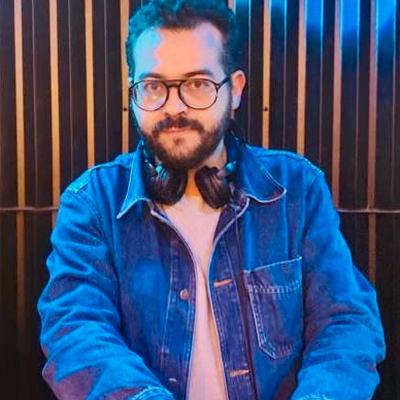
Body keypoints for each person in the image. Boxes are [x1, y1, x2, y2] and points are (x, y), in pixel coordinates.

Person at [38, 1, 385, 399]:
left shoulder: (297, 190)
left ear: (234, 90)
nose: (174, 107)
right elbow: (75, 331)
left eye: (198, 84)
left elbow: (345, 324)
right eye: (153, 86)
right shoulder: (92, 203)